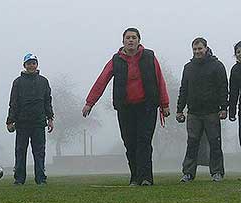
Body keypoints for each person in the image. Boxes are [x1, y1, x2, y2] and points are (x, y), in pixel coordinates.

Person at [82, 28, 170, 186]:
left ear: (139, 40)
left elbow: (160, 80)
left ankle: (146, 178)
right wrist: (90, 102)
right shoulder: (116, 60)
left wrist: (165, 104)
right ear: (123, 41)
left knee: (144, 141)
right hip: (126, 108)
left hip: (147, 107)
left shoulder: (149, 57)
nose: (131, 40)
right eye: (128, 38)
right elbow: (102, 80)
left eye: (134, 37)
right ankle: (135, 177)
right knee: (130, 143)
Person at [176, 37, 228, 183]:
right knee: (192, 144)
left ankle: (217, 172)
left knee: (215, 143)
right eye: (195, 49)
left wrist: (224, 108)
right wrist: (179, 110)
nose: (197, 51)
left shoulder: (217, 66)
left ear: (206, 48)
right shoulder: (188, 67)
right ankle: (188, 174)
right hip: (193, 113)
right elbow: (184, 89)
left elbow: (223, 88)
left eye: (200, 48)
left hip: (212, 112)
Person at [6, 53, 54, 185]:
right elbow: (13, 102)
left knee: (39, 152)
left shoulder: (44, 81)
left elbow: (47, 101)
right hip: (22, 123)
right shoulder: (18, 82)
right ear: (24, 65)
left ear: (37, 65)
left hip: (39, 122)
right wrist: (10, 121)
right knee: (20, 151)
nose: (31, 65)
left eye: (33, 63)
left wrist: (50, 118)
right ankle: (19, 179)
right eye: (29, 63)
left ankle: (41, 179)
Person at [229, 41, 241, 146]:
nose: (240, 54)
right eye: (238, 52)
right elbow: (234, 93)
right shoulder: (235, 70)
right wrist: (232, 113)